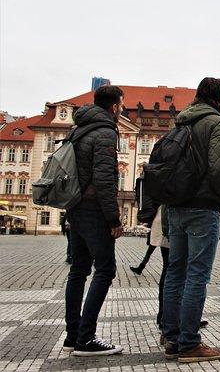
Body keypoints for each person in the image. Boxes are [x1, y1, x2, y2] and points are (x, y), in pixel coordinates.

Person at [162, 77, 220, 363]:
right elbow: (218, 168)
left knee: (175, 273)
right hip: (202, 207)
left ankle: (171, 338)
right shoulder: (216, 123)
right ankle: (189, 343)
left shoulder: (179, 123)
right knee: (197, 275)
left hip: (175, 206)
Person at [65, 85, 125, 356]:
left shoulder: (79, 128)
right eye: (121, 105)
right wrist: (114, 217)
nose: (122, 109)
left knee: (78, 270)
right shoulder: (104, 132)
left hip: (75, 208)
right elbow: (104, 180)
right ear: (114, 107)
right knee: (105, 270)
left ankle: (73, 334)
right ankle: (86, 339)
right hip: (93, 210)